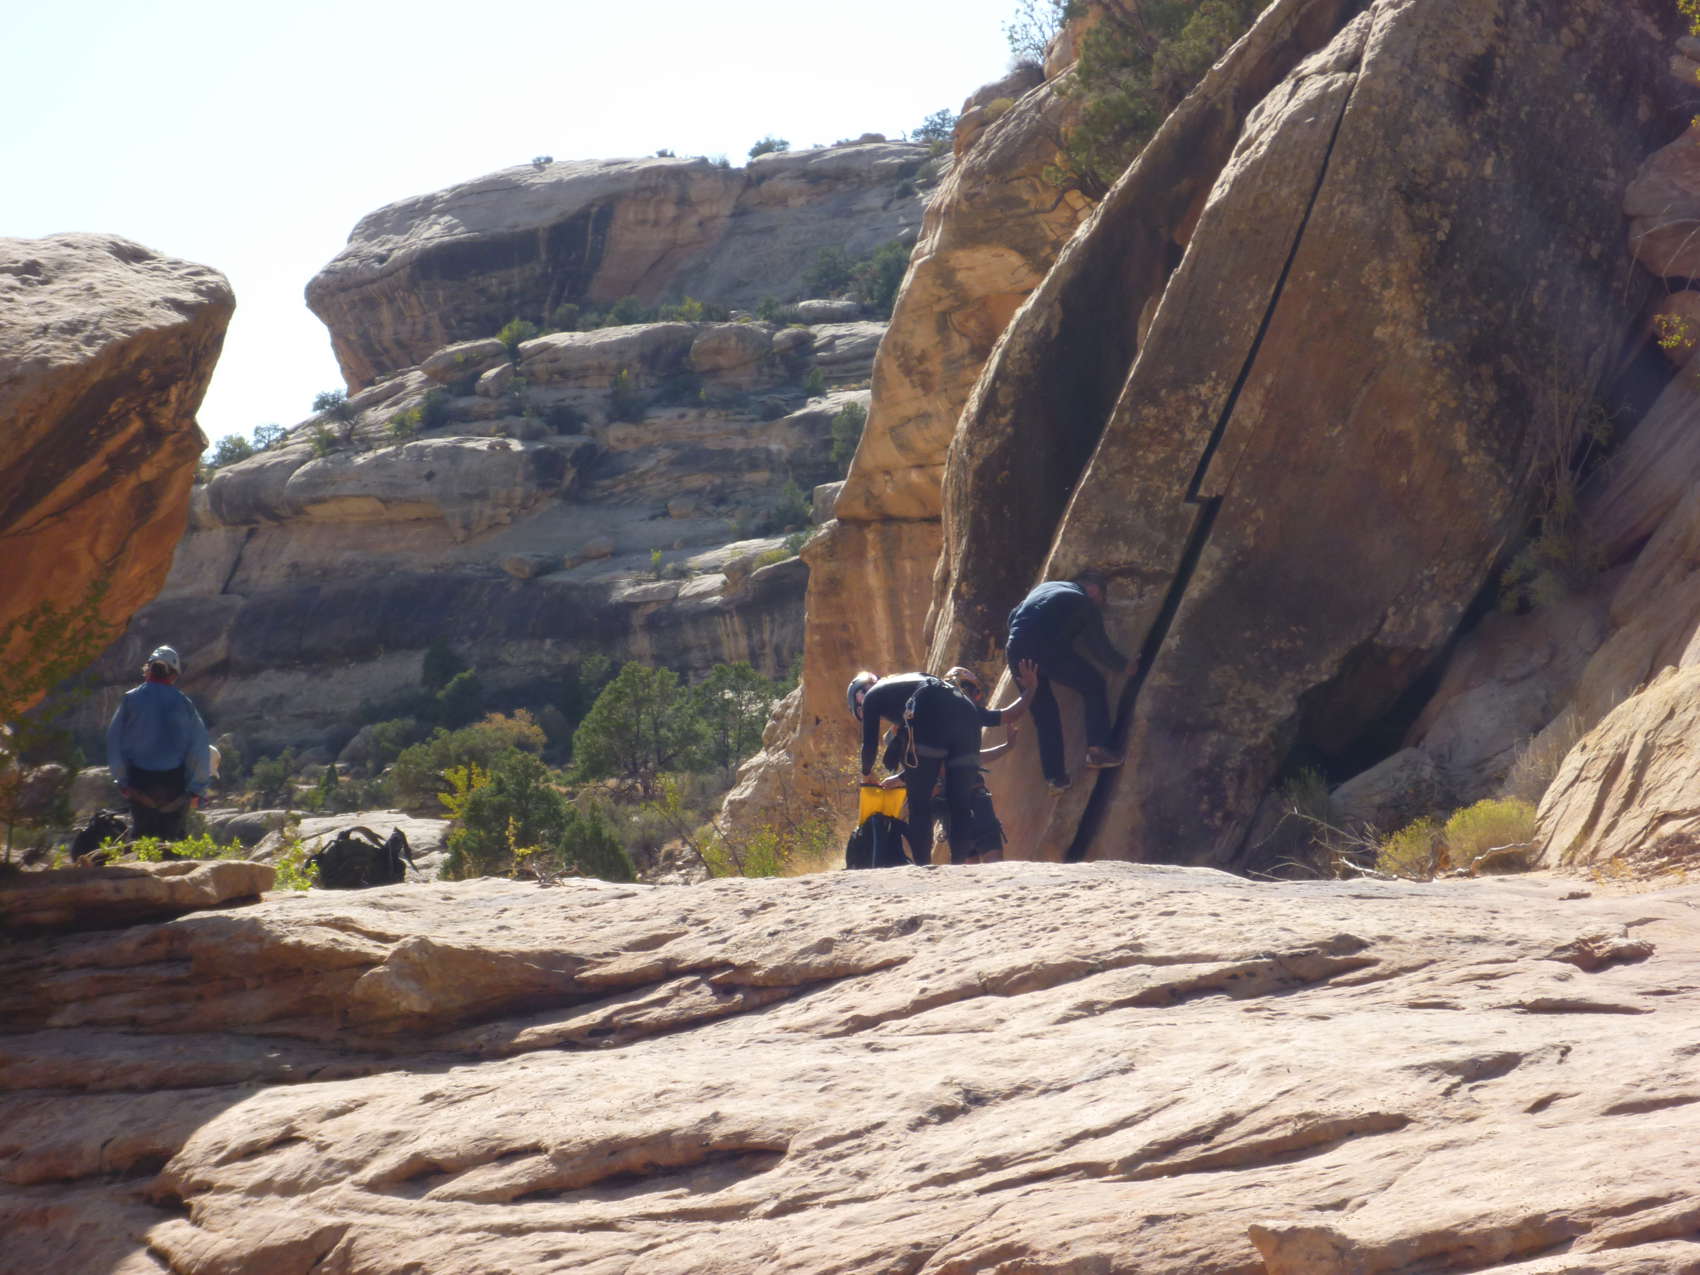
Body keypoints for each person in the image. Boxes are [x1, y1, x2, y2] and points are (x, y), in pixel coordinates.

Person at [847, 666, 1028, 866]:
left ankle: (924, 867)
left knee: (920, 807)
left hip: (953, 787)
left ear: (859, 703)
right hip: (965, 736)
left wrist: (868, 774)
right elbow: (1003, 718)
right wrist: (1032, 690)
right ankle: (953, 865)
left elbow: (871, 746)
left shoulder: (880, 701)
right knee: (960, 813)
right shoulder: (926, 688)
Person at [1005, 571, 1134, 796]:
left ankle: (1055, 778)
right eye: (1102, 599)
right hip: (1047, 648)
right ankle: (1097, 750)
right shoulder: (1082, 601)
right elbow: (1098, 646)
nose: (1101, 605)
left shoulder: (1044, 588)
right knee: (1093, 684)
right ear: (1094, 590)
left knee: (1044, 715)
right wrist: (1124, 665)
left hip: (1016, 650)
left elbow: (1012, 617)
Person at [106, 645, 212, 842]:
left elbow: (114, 742)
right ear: (173, 675)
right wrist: (196, 788)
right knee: (173, 845)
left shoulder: (130, 700)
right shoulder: (184, 704)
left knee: (142, 845)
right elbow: (198, 748)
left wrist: (123, 781)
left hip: (139, 784)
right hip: (174, 787)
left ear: (147, 670)